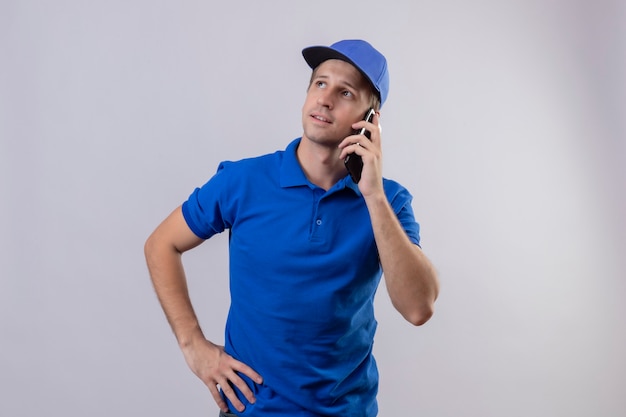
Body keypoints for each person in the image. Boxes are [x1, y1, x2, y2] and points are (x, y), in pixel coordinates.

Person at [144, 39, 439, 417]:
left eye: (345, 91)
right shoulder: (244, 181)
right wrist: (193, 346)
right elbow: (161, 244)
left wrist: (373, 196)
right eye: (320, 83)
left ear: (370, 120)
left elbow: (418, 308)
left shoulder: (390, 201)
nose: (326, 99)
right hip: (249, 409)